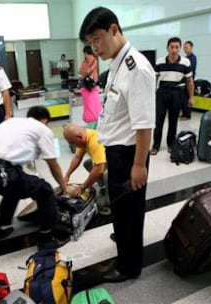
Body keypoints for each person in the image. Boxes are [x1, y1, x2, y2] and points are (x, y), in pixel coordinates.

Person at [79, 6, 155, 282]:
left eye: (97, 39)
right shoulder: (117, 64)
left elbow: (144, 124)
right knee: (121, 207)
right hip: (118, 151)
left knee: (130, 211)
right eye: (90, 43)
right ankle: (124, 240)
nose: (94, 48)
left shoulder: (136, 68)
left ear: (114, 29)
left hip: (130, 153)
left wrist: (138, 164)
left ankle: (129, 267)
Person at [0, 105, 70, 249]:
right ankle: (47, 238)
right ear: (45, 120)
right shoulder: (42, 129)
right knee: (45, 190)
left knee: (13, 191)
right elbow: (53, 164)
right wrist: (64, 187)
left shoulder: (13, 122)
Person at [150, 37, 194, 155]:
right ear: (167, 48)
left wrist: (191, 97)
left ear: (180, 48)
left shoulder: (185, 62)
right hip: (162, 92)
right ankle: (156, 145)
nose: (174, 50)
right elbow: (154, 78)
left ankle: (171, 144)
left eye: (177, 47)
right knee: (158, 120)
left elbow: (189, 81)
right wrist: (151, 94)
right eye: (172, 47)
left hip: (177, 93)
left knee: (173, 121)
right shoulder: (159, 61)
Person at [62, 123, 109, 213]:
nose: (73, 145)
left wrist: (82, 187)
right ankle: (105, 186)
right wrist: (67, 175)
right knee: (88, 164)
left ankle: (110, 204)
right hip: (106, 160)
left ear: (79, 137)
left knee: (107, 175)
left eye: (72, 142)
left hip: (122, 162)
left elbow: (99, 168)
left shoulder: (94, 141)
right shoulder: (83, 137)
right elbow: (77, 158)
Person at [78, 45, 102, 129]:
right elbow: (80, 71)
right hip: (87, 86)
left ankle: (94, 122)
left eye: (85, 53)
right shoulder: (85, 62)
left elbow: (86, 71)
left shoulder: (94, 61)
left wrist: (85, 72)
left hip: (92, 86)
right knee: (90, 105)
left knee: (92, 106)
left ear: (86, 53)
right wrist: (85, 72)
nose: (85, 55)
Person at [181, 40, 197, 120]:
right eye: (184, 48)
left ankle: (188, 114)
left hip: (189, 81)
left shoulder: (192, 58)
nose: (185, 49)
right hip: (184, 81)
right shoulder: (186, 58)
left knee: (188, 97)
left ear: (191, 47)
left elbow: (191, 70)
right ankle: (184, 113)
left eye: (186, 47)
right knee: (184, 98)